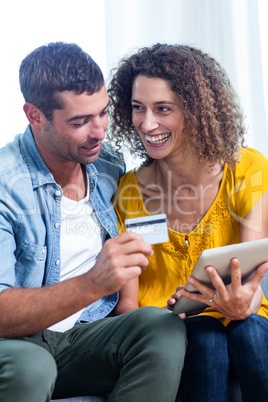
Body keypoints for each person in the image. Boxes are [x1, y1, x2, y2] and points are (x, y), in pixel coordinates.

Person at [0, 42, 187, 402]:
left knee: (160, 328)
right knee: (32, 366)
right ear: (35, 116)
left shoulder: (107, 166)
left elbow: (153, 208)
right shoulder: (7, 185)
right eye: (80, 121)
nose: (99, 131)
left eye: (102, 113)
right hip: (16, 346)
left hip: (82, 338)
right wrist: (92, 283)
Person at [108, 43, 268, 401]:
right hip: (173, 331)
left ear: (196, 111)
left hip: (245, 321)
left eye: (163, 109)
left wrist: (244, 300)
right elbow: (127, 304)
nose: (147, 124)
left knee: (249, 330)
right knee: (205, 334)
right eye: (137, 108)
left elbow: (253, 279)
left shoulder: (247, 171)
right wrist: (157, 326)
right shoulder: (130, 192)